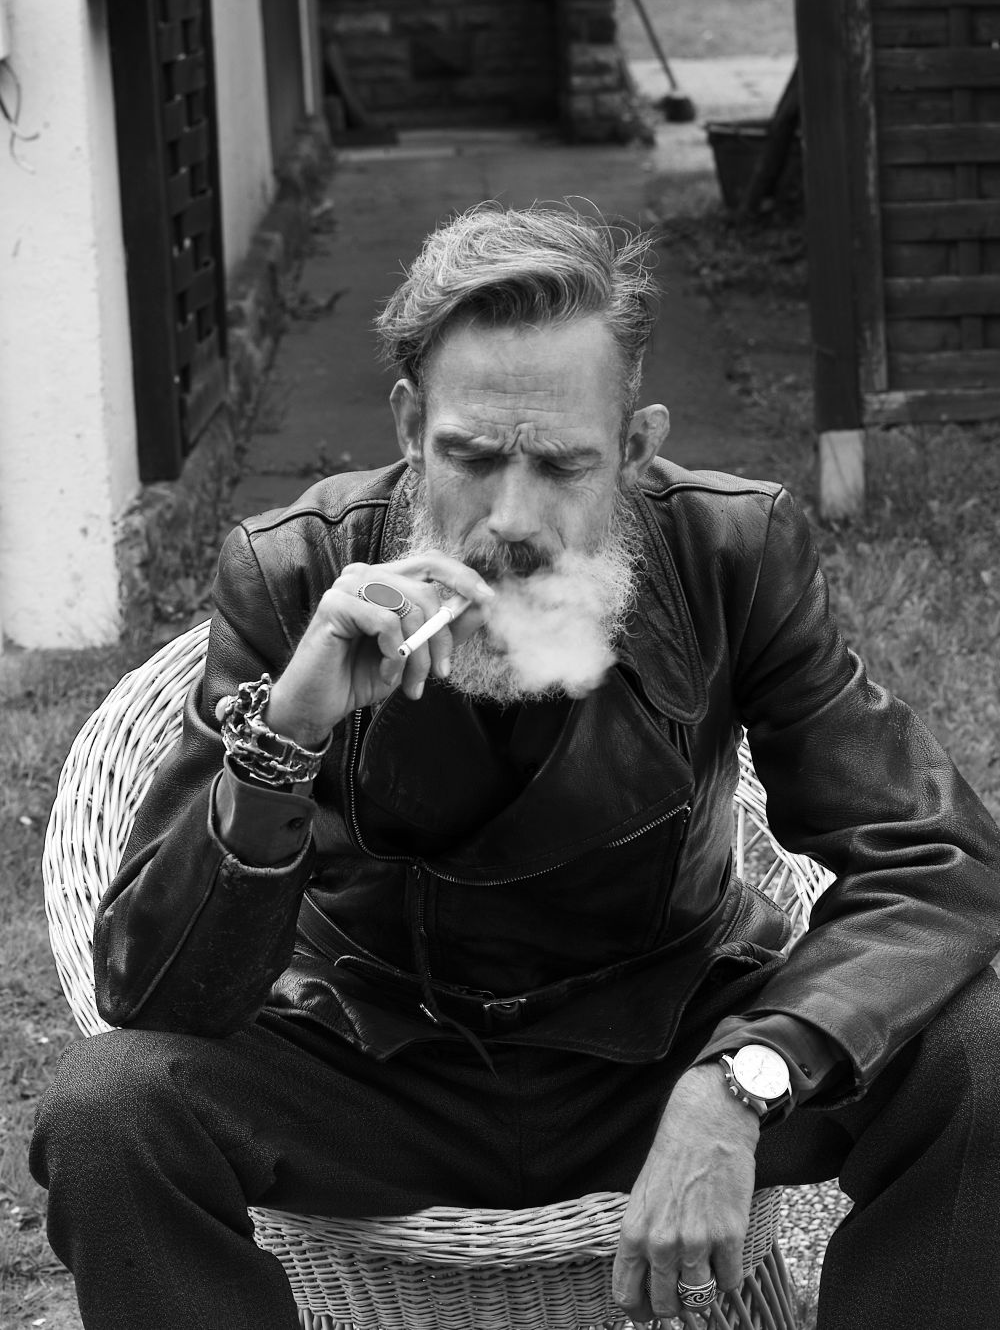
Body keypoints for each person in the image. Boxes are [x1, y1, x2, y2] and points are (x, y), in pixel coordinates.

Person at [31, 204, 1000, 1330]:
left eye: (562, 463)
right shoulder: (294, 567)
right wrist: (284, 735)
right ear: (410, 425)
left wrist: (746, 1076)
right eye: (473, 456)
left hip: (665, 1040)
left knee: (981, 1052)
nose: (510, 519)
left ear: (634, 446)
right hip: (368, 1059)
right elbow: (152, 994)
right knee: (107, 1112)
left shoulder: (731, 551)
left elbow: (936, 859)